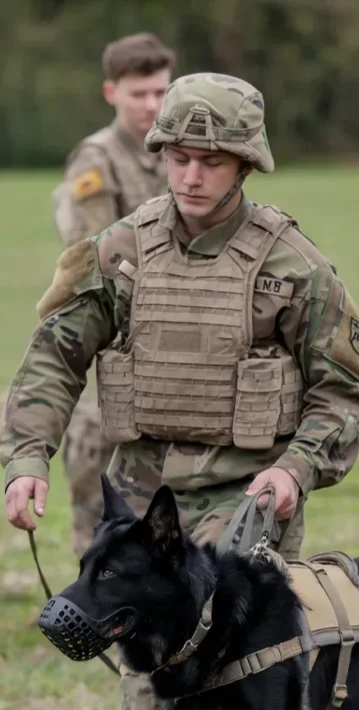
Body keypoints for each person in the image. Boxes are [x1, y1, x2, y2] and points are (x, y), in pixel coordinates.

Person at [2, 73, 359, 710]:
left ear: (246, 165)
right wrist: (27, 459)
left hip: (246, 505)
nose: (192, 175)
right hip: (140, 501)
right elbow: (52, 359)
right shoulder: (121, 251)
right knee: (152, 697)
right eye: (178, 156)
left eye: (212, 159)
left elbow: (339, 396)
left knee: (233, 673)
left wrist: (294, 469)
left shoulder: (293, 265)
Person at [53, 33, 175, 556]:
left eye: (159, 92)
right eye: (138, 94)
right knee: (96, 482)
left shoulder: (174, 153)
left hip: (168, 344)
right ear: (111, 92)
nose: (151, 105)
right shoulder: (95, 162)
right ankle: (86, 609)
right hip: (111, 340)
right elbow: (96, 259)